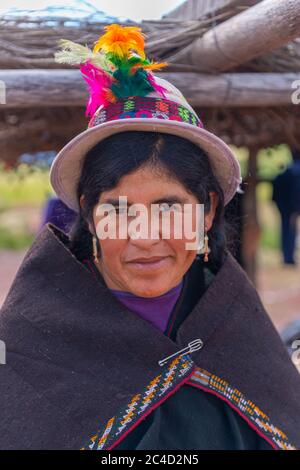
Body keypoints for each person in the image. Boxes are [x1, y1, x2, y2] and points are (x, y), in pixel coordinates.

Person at [0, 24, 299, 451]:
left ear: (209, 209)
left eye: (169, 208)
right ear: (88, 211)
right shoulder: (30, 338)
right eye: (118, 210)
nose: (144, 237)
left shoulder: (236, 325)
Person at [272, 148, 300, 265]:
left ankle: (287, 257)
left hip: (285, 206)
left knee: (286, 230)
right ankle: (288, 258)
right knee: (290, 231)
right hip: (292, 206)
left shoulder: (287, 170)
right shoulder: (294, 171)